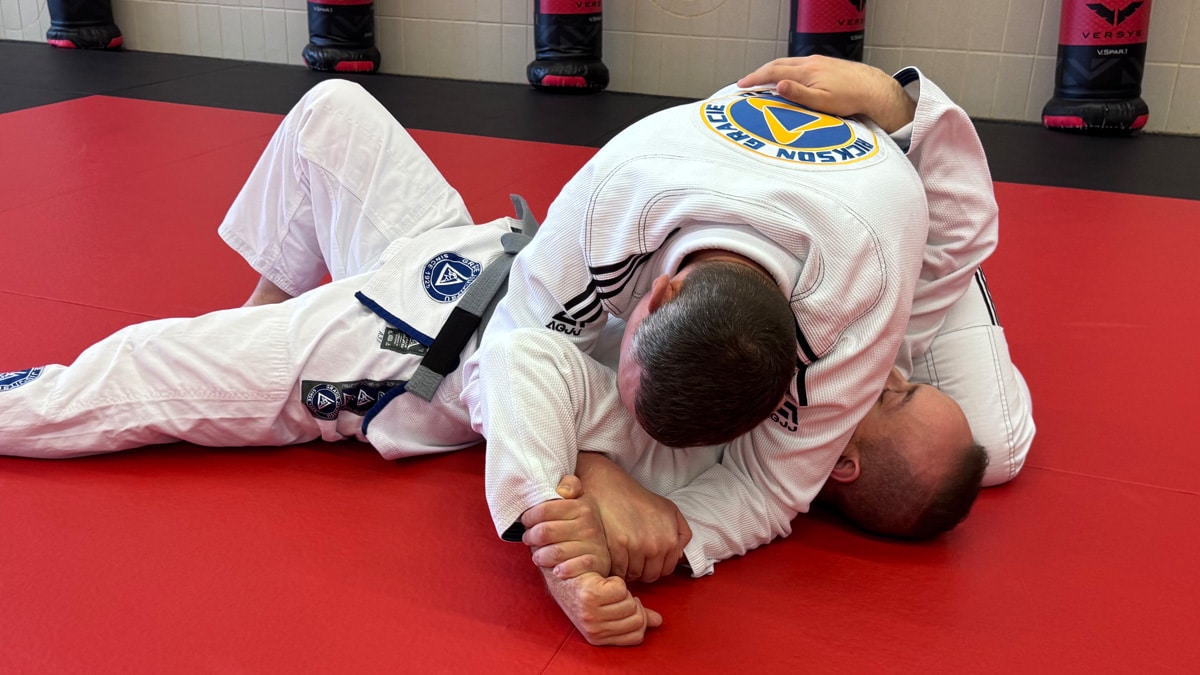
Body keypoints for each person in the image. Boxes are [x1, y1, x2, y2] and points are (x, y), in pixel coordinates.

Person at [0, 60, 1033, 645]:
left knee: (144, 374)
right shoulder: (843, 300)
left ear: (833, 453)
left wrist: (579, 523)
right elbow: (958, 244)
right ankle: (265, 319)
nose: (899, 371)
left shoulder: (742, 438)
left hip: (410, 343)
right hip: (494, 248)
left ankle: (261, 343)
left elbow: (523, 365)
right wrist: (904, 103)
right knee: (331, 110)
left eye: (894, 397)